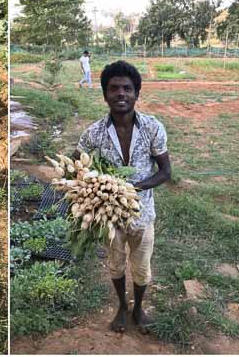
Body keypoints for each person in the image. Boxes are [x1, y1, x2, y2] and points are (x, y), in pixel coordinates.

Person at [74, 60, 172, 332]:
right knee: (116, 265)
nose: (121, 94)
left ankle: (139, 307)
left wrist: (132, 189)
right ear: (105, 94)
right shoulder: (94, 132)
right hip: (110, 217)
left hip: (142, 214)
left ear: (136, 94)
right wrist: (91, 187)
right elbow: (75, 166)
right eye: (114, 88)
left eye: (127, 89)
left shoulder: (153, 128)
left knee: (141, 268)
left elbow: (165, 172)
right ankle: (121, 306)